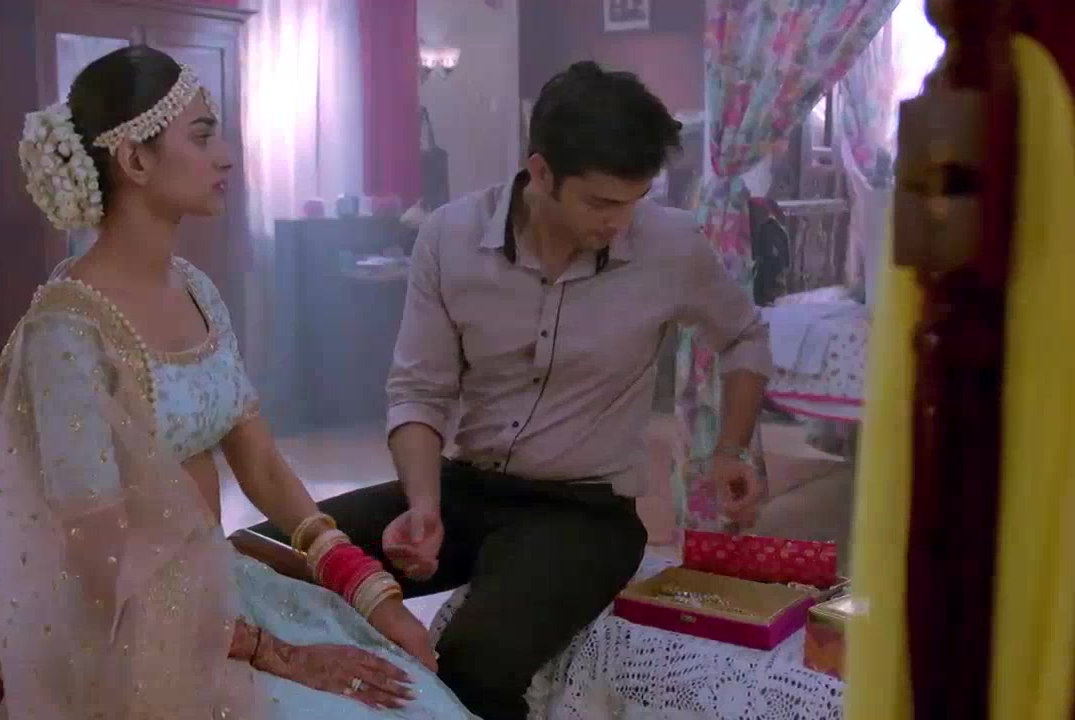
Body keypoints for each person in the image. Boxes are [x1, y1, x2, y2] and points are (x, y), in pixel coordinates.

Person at [253, 61, 773, 719]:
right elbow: (418, 390)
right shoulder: (450, 237)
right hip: (464, 491)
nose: (619, 222)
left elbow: (744, 336)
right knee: (256, 562)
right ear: (541, 172)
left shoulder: (670, 245)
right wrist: (423, 504)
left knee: (473, 666)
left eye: (634, 201)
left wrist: (730, 448)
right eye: (601, 203)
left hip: (584, 514)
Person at [0, 46, 477, 719]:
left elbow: (263, 466)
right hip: (134, 632)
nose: (226, 156)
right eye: (202, 136)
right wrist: (271, 652)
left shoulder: (197, 290)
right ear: (135, 160)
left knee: (417, 699)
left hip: (217, 592)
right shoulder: (67, 335)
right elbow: (100, 563)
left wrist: (370, 591)